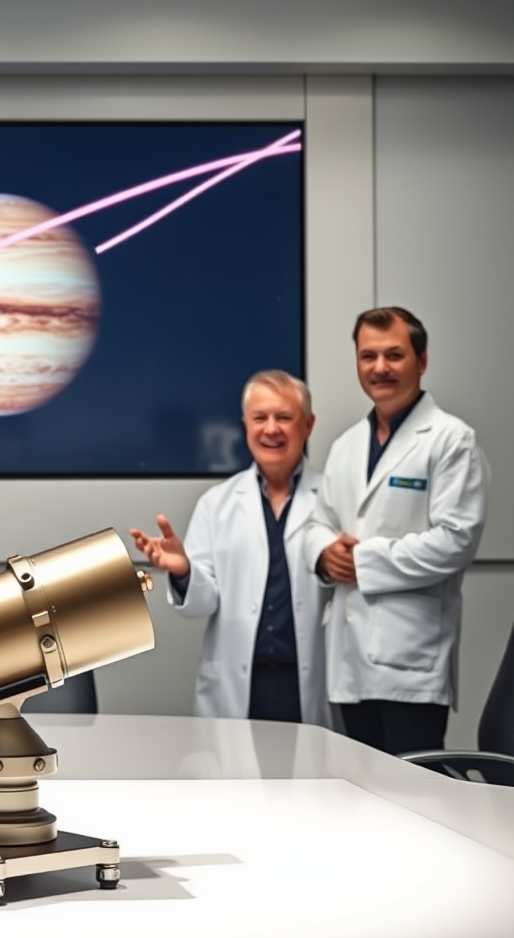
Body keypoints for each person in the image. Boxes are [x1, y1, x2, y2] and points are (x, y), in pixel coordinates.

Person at [305, 306, 490, 755]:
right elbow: (318, 521)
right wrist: (323, 553)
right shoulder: (346, 444)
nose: (380, 368)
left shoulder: (450, 440)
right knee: (357, 796)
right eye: (368, 356)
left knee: (412, 798)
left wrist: (361, 560)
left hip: (412, 666)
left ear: (421, 361)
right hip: (349, 664)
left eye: (394, 355)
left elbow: (455, 541)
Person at [130, 370, 330, 726]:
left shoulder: (333, 498)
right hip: (240, 683)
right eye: (260, 418)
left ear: (309, 425)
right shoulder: (216, 503)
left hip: (307, 681)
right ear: (245, 425)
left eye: (284, 417)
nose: (271, 429)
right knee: (239, 779)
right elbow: (203, 603)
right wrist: (184, 571)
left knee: (311, 779)